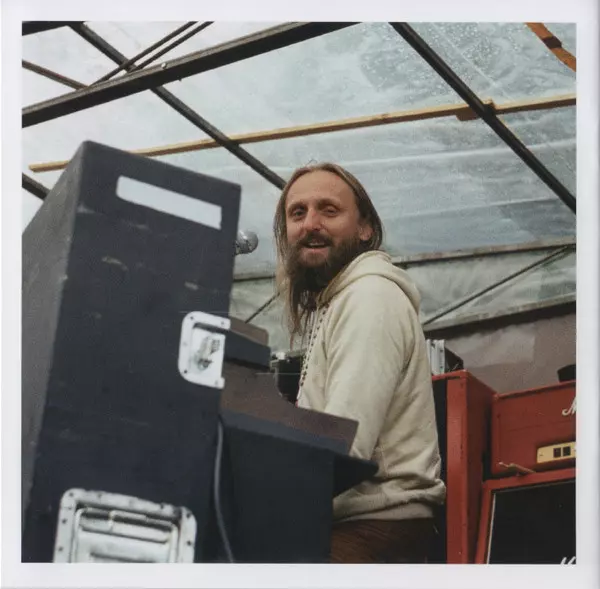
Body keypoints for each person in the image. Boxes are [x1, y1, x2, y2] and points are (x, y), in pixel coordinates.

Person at [273, 162, 446, 563]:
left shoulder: (368, 297)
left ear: (365, 227)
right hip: (350, 526)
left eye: (329, 210)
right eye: (298, 213)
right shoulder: (340, 299)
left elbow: (343, 443)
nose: (310, 224)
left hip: (377, 530)